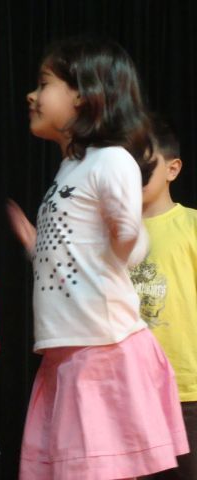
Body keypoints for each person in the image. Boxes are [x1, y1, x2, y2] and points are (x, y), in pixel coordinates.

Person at [7, 36, 188, 479]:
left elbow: (131, 246)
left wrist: (128, 236)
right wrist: (36, 248)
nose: (32, 95)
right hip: (68, 349)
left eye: (44, 83)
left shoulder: (111, 160)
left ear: (83, 96)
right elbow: (82, 252)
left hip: (103, 350)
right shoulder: (71, 167)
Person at [130, 119, 197, 479]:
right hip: (129, 388)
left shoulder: (191, 226)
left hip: (186, 388)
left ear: (172, 169)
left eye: (145, 164)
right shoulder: (113, 233)